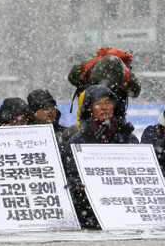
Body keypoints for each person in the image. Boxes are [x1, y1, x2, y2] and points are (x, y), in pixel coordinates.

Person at [62, 85, 138, 228]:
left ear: (114, 107)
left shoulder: (129, 138)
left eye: (108, 103)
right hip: (89, 210)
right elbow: (68, 176)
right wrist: (77, 184)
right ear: (90, 110)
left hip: (125, 208)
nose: (104, 107)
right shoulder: (77, 141)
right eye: (98, 104)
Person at [68, 47, 141, 117]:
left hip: (86, 114)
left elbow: (72, 77)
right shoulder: (124, 71)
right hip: (113, 119)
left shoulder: (88, 64)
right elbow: (135, 91)